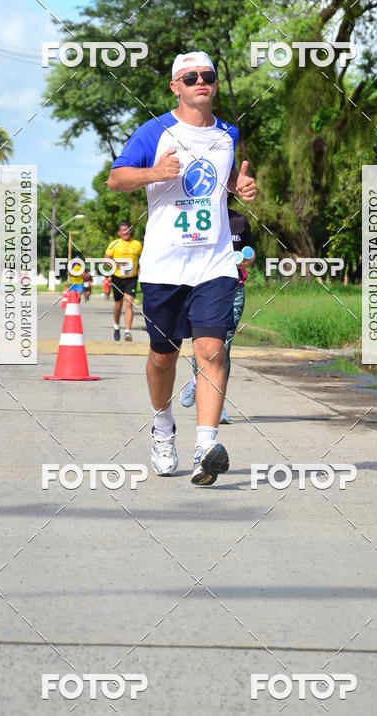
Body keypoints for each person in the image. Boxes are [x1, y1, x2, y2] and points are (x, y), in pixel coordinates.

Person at [107, 51, 257, 485]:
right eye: (190, 77)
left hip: (214, 263)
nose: (200, 82)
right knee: (163, 356)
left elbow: (224, 181)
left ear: (215, 82)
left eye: (207, 75)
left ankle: (205, 448)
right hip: (165, 266)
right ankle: (162, 427)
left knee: (212, 350)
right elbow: (116, 179)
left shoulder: (228, 133)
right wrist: (155, 172)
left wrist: (239, 186)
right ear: (175, 86)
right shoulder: (154, 131)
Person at [180, 200, 255, 422]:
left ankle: (216, 403)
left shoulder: (239, 221)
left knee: (224, 346)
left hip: (234, 289)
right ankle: (199, 381)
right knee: (204, 344)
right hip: (203, 289)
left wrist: (247, 260)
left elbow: (250, 254)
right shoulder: (196, 217)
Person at [105, 221, 143, 341]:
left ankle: (127, 332)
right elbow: (106, 259)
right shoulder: (114, 244)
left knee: (129, 303)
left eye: (127, 230)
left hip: (131, 278)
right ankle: (116, 327)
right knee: (118, 304)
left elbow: (143, 258)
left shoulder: (137, 244)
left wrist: (140, 268)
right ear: (119, 233)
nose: (126, 232)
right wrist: (114, 263)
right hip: (117, 277)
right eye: (123, 230)